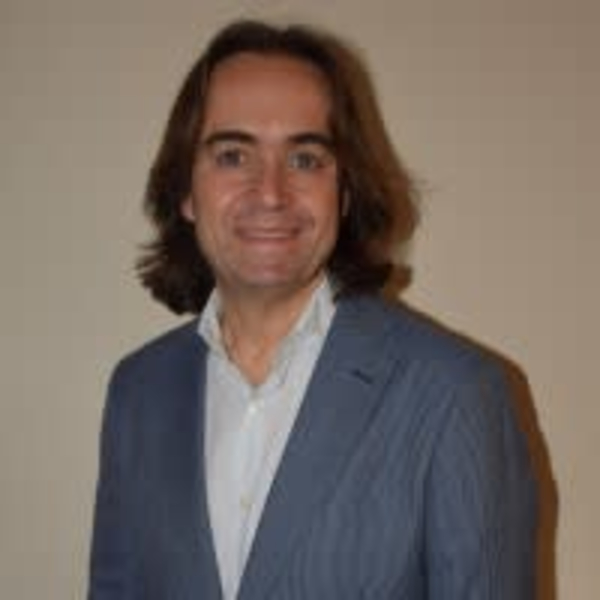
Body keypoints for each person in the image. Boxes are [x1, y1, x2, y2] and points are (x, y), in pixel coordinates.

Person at [88, 19, 537, 600]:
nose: (270, 192)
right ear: (185, 192)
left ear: (344, 193)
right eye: (233, 155)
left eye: (305, 159)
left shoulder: (455, 395)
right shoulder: (138, 392)